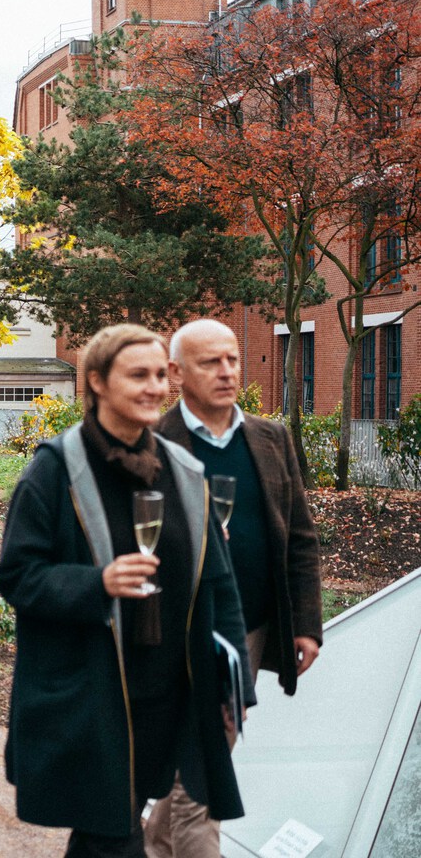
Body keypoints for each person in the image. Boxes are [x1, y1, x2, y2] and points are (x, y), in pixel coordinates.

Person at [0, 324, 250, 858]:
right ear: (97, 382)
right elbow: (17, 575)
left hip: (165, 692)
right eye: (138, 375)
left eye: (161, 374)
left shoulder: (182, 470)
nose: (155, 386)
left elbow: (217, 580)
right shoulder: (53, 470)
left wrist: (233, 682)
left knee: (109, 828)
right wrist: (97, 583)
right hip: (93, 694)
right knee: (113, 834)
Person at [144, 319, 324, 858]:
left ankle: (148, 848)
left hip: (246, 628)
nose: (226, 372)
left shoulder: (271, 439)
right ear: (176, 373)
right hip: (173, 632)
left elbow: (299, 536)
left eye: (233, 360)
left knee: (199, 759)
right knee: (204, 767)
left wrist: (308, 625)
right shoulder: (149, 444)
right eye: (209, 362)